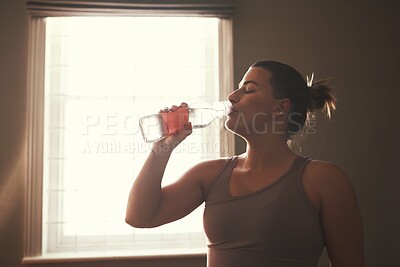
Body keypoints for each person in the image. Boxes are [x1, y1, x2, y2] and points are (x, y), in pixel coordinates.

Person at [125, 60, 365, 267]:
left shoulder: (324, 180)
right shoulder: (210, 175)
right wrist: (162, 148)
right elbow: (140, 216)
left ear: (281, 107)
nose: (232, 97)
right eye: (237, 89)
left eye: (248, 90)